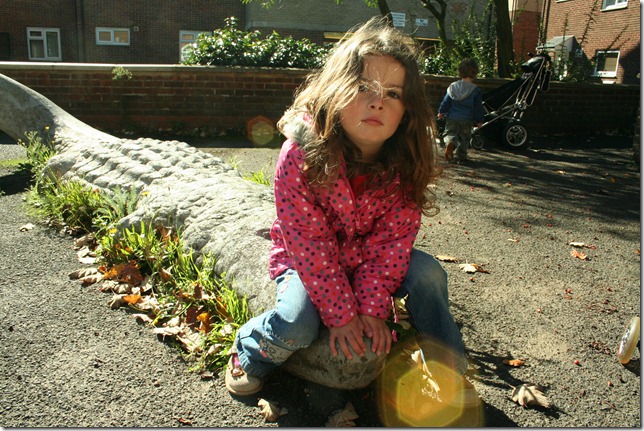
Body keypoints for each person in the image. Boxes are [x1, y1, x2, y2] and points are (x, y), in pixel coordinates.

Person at [225, 16, 475, 405]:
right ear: (335, 90)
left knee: (428, 274)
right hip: (306, 260)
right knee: (297, 323)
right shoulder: (301, 155)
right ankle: (249, 351)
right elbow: (310, 243)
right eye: (363, 88)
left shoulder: (406, 161)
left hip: (370, 260)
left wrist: (373, 309)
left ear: (407, 110)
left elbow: (392, 242)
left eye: (393, 94)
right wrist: (342, 315)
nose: (377, 101)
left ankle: (450, 367)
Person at [437, 58, 485, 163]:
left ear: (460, 72)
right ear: (475, 73)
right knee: (464, 138)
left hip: (452, 117)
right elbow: (478, 107)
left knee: (450, 133)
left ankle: (450, 142)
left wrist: (441, 112)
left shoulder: (453, 87)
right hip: (467, 119)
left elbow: (446, 101)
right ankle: (461, 156)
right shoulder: (475, 90)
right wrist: (479, 120)